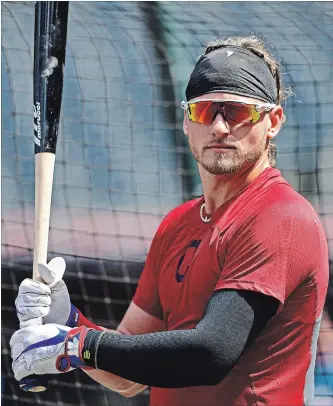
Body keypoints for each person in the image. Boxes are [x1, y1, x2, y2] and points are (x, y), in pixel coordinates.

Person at [11, 35, 329, 406]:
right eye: (205, 110)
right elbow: (126, 378)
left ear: (272, 121)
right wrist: (69, 319)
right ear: (186, 121)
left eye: (238, 112)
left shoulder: (281, 216)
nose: (220, 127)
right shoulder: (177, 224)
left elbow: (212, 352)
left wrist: (75, 345)